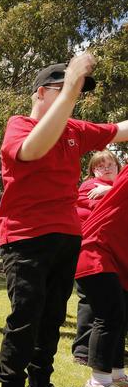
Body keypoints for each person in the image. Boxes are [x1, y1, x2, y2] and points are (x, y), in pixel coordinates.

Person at [0, 53, 128, 387]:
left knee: (52, 317)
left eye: (77, 93)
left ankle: (39, 386)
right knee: (26, 316)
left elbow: (118, 130)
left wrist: (70, 92)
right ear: (41, 92)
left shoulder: (75, 130)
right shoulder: (19, 125)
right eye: (69, 89)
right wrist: (71, 83)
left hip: (68, 235)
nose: (76, 97)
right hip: (25, 236)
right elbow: (32, 149)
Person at [75, 162, 128, 387]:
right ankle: (98, 383)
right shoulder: (93, 185)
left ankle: (116, 374)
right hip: (98, 249)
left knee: (120, 316)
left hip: (120, 257)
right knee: (110, 314)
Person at [72, 150, 121, 365]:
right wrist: (112, 191)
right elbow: (108, 208)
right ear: (93, 171)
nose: (107, 168)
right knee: (91, 303)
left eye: (111, 164)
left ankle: (111, 349)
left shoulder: (113, 187)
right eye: (101, 166)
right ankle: (83, 350)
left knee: (113, 305)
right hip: (92, 253)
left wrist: (110, 189)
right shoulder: (90, 187)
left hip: (114, 254)